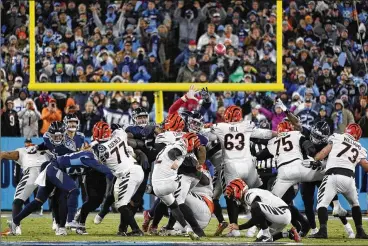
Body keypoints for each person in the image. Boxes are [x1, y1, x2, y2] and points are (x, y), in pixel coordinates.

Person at [208, 105, 275, 237]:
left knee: (231, 196)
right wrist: (278, 133)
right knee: (257, 195)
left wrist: (206, 126)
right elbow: (264, 133)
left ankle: (235, 229)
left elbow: (207, 135)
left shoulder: (220, 127)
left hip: (231, 166)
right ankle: (261, 228)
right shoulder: (247, 125)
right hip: (248, 164)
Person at [310, 124, 368, 239]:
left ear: (347, 131)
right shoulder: (359, 146)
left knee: (322, 204)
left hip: (333, 175)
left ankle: (323, 230)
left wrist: (316, 159)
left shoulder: (337, 137)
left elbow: (324, 152)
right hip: (349, 179)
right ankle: (360, 231)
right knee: (355, 204)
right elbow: (365, 165)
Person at [92, 121, 144, 236]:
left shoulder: (100, 149)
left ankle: (136, 230)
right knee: (120, 201)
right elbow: (120, 131)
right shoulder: (120, 134)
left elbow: (99, 158)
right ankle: (122, 229)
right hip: (134, 170)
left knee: (121, 204)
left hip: (128, 173)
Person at [225, 179, 300, 243]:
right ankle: (288, 234)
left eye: (232, 194)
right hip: (279, 214)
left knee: (256, 208)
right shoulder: (252, 193)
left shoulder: (249, 195)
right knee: (260, 240)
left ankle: (266, 234)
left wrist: (239, 227)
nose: (233, 198)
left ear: (238, 190)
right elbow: (257, 217)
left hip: (282, 212)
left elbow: (257, 208)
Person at [0, 143, 52, 235]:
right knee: (55, 198)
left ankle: (16, 227)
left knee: (18, 200)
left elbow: (4, 154)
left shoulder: (22, 150)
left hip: (32, 171)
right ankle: (59, 225)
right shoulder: (47, 150)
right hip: (48, 171)